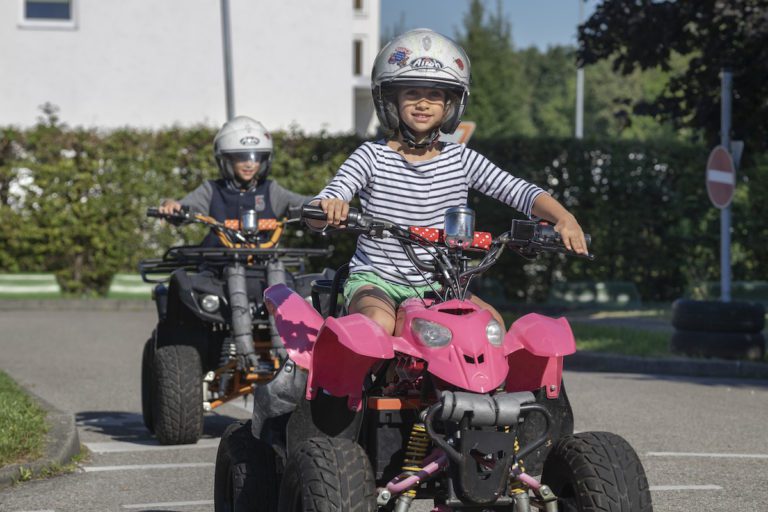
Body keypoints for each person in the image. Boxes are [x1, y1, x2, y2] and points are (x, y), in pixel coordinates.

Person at [310, 28, 588, 335]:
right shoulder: (371, 156)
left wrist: (564, 217)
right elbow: (335, 192)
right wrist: (330, 205)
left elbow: (517, 190)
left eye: (435, 95)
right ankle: (351, 384)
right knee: (380, 323)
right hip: (376, 280)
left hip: (441, 283)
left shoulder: (461, 159)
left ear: (451, 105)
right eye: (412, 93)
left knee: (491, 327)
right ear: (390, 100)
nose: (423, 103)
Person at [159, 115, 311, 246]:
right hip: (219, 264)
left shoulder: (270, 190)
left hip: (263, 261)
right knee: (195, 280)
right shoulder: (212, 190)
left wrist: (325, 204)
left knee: (287, 278)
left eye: (256, 158)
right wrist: (171, 206)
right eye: (241, 157)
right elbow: (184, 206)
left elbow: (302, 202)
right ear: (227, 160)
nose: (250, 164)